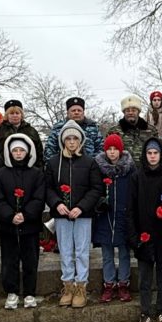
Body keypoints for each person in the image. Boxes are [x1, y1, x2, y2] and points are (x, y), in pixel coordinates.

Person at [45, 120, 105, 309]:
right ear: (63, 141)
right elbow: (47, 188)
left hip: (82, 214)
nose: (71, 142)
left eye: (75, 139)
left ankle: (81, 286)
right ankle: (68, 285)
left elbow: (96, 188)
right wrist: (57, 203)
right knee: (65, 251)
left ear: (80, 141)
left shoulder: (89, 162)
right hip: (62, 215)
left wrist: (81, 207)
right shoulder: (54, 162)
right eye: (68, 138)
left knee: (81, 251)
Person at [0, 133, 46, 310]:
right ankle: (12, 292)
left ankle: (30, 292)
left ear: (28, 151)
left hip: (30, 226)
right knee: (9, 260)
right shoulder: (1, 174)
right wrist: (10, 215)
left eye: (22, 150)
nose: (18, 153)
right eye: (15, 150)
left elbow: (39, 197)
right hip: (8, 226)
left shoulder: (36, 173)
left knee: (30, 260)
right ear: (9, 152)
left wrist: (26, 214)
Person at [128, 139, 162, 322]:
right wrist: (134, 236)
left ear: (161, 154)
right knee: (145, 280)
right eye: (149, 153)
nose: (152, 156)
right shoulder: (136, 177)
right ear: (144, 155)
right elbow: (130, 208)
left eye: (155, 153)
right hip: (144, 235)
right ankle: (145, 313)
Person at [93, 134, 135, 303]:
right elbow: (94, 188)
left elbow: (134, 191)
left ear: (120, 150)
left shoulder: (130, 169)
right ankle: (109, 283)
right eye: (109, 149)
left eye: (115, 149)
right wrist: (98, 202)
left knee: (124, 252)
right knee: (107, 254)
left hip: (123, 215)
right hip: (105, 216)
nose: (112, 152)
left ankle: (123, 283)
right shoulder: (98, 168)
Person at [0, 100, 44, 169]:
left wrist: (38, 170)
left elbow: (39, 152)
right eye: (12, 113)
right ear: (7, 115)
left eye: (17, 113)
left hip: (28, 170)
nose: (15, 115)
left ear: (21, 114)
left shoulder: (31, 131)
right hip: (3, 170)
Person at [109, 95, 154, 162]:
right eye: (127, 111)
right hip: (122, 170)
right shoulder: (114, 131)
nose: (130, 113)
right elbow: (108, 152)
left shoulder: (150, 130)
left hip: (145, 170)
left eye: (133, 110)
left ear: (138, 112)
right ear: (124, 112)